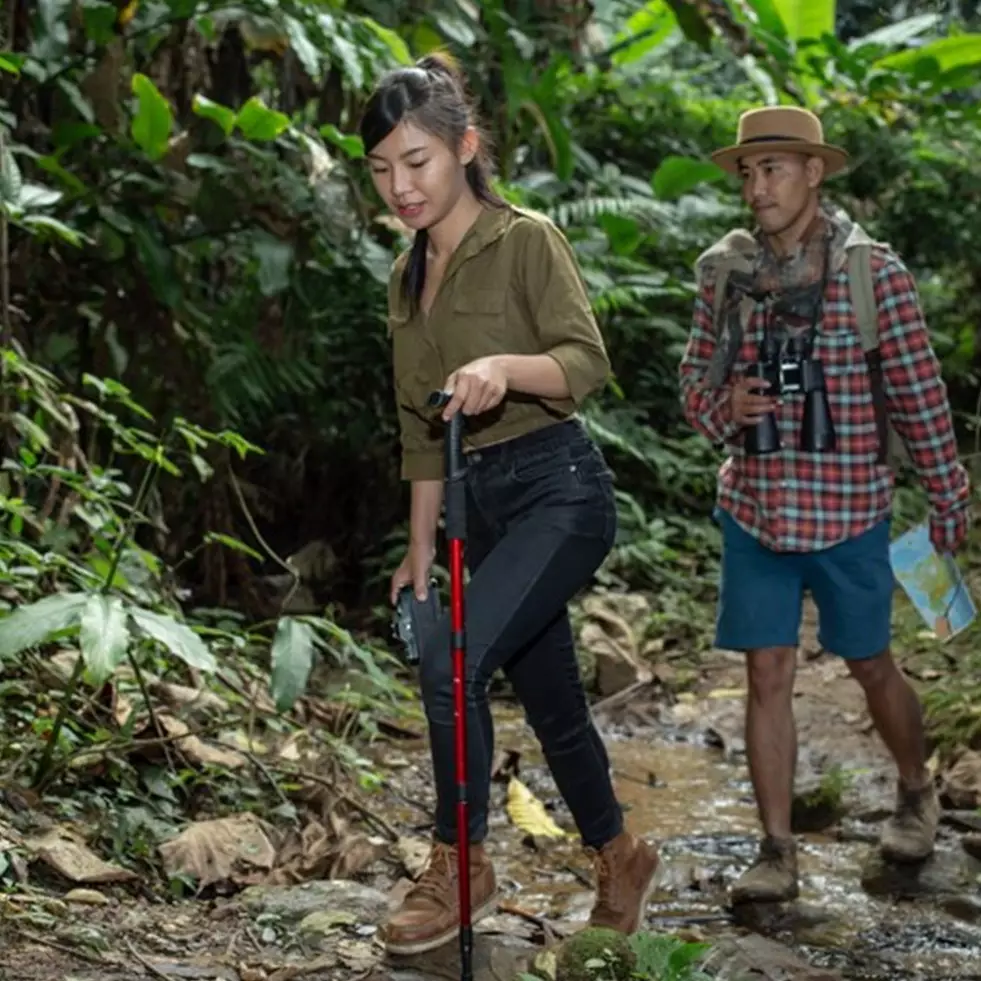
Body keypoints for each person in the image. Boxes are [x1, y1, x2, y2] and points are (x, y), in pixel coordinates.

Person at [359, 52, 660, 955]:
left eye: (417, 161)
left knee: (450, 660)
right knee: (552, 699)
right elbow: (418, 430)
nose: (400, 186)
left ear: (464, 147)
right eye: (381, 168)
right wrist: (419, 546)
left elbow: (584, 361)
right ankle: (620, 857)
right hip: (472, 509)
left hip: (557, 490)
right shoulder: (405, 276)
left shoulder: (525, 240)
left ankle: (462, 861)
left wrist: (502, 366)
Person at [679, 106, 970, 905]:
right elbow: (692, 382)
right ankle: (776, 850)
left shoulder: (871, 275)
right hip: (755, 506)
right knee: (765, 670)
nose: (756, 187)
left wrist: (946, 496)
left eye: (772, 168)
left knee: (869, 661)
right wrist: (724, 407)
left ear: (813, 172)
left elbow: (918, 394)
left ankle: (914, 786)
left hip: (848, 509)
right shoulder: (725, 273)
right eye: (747, 171)